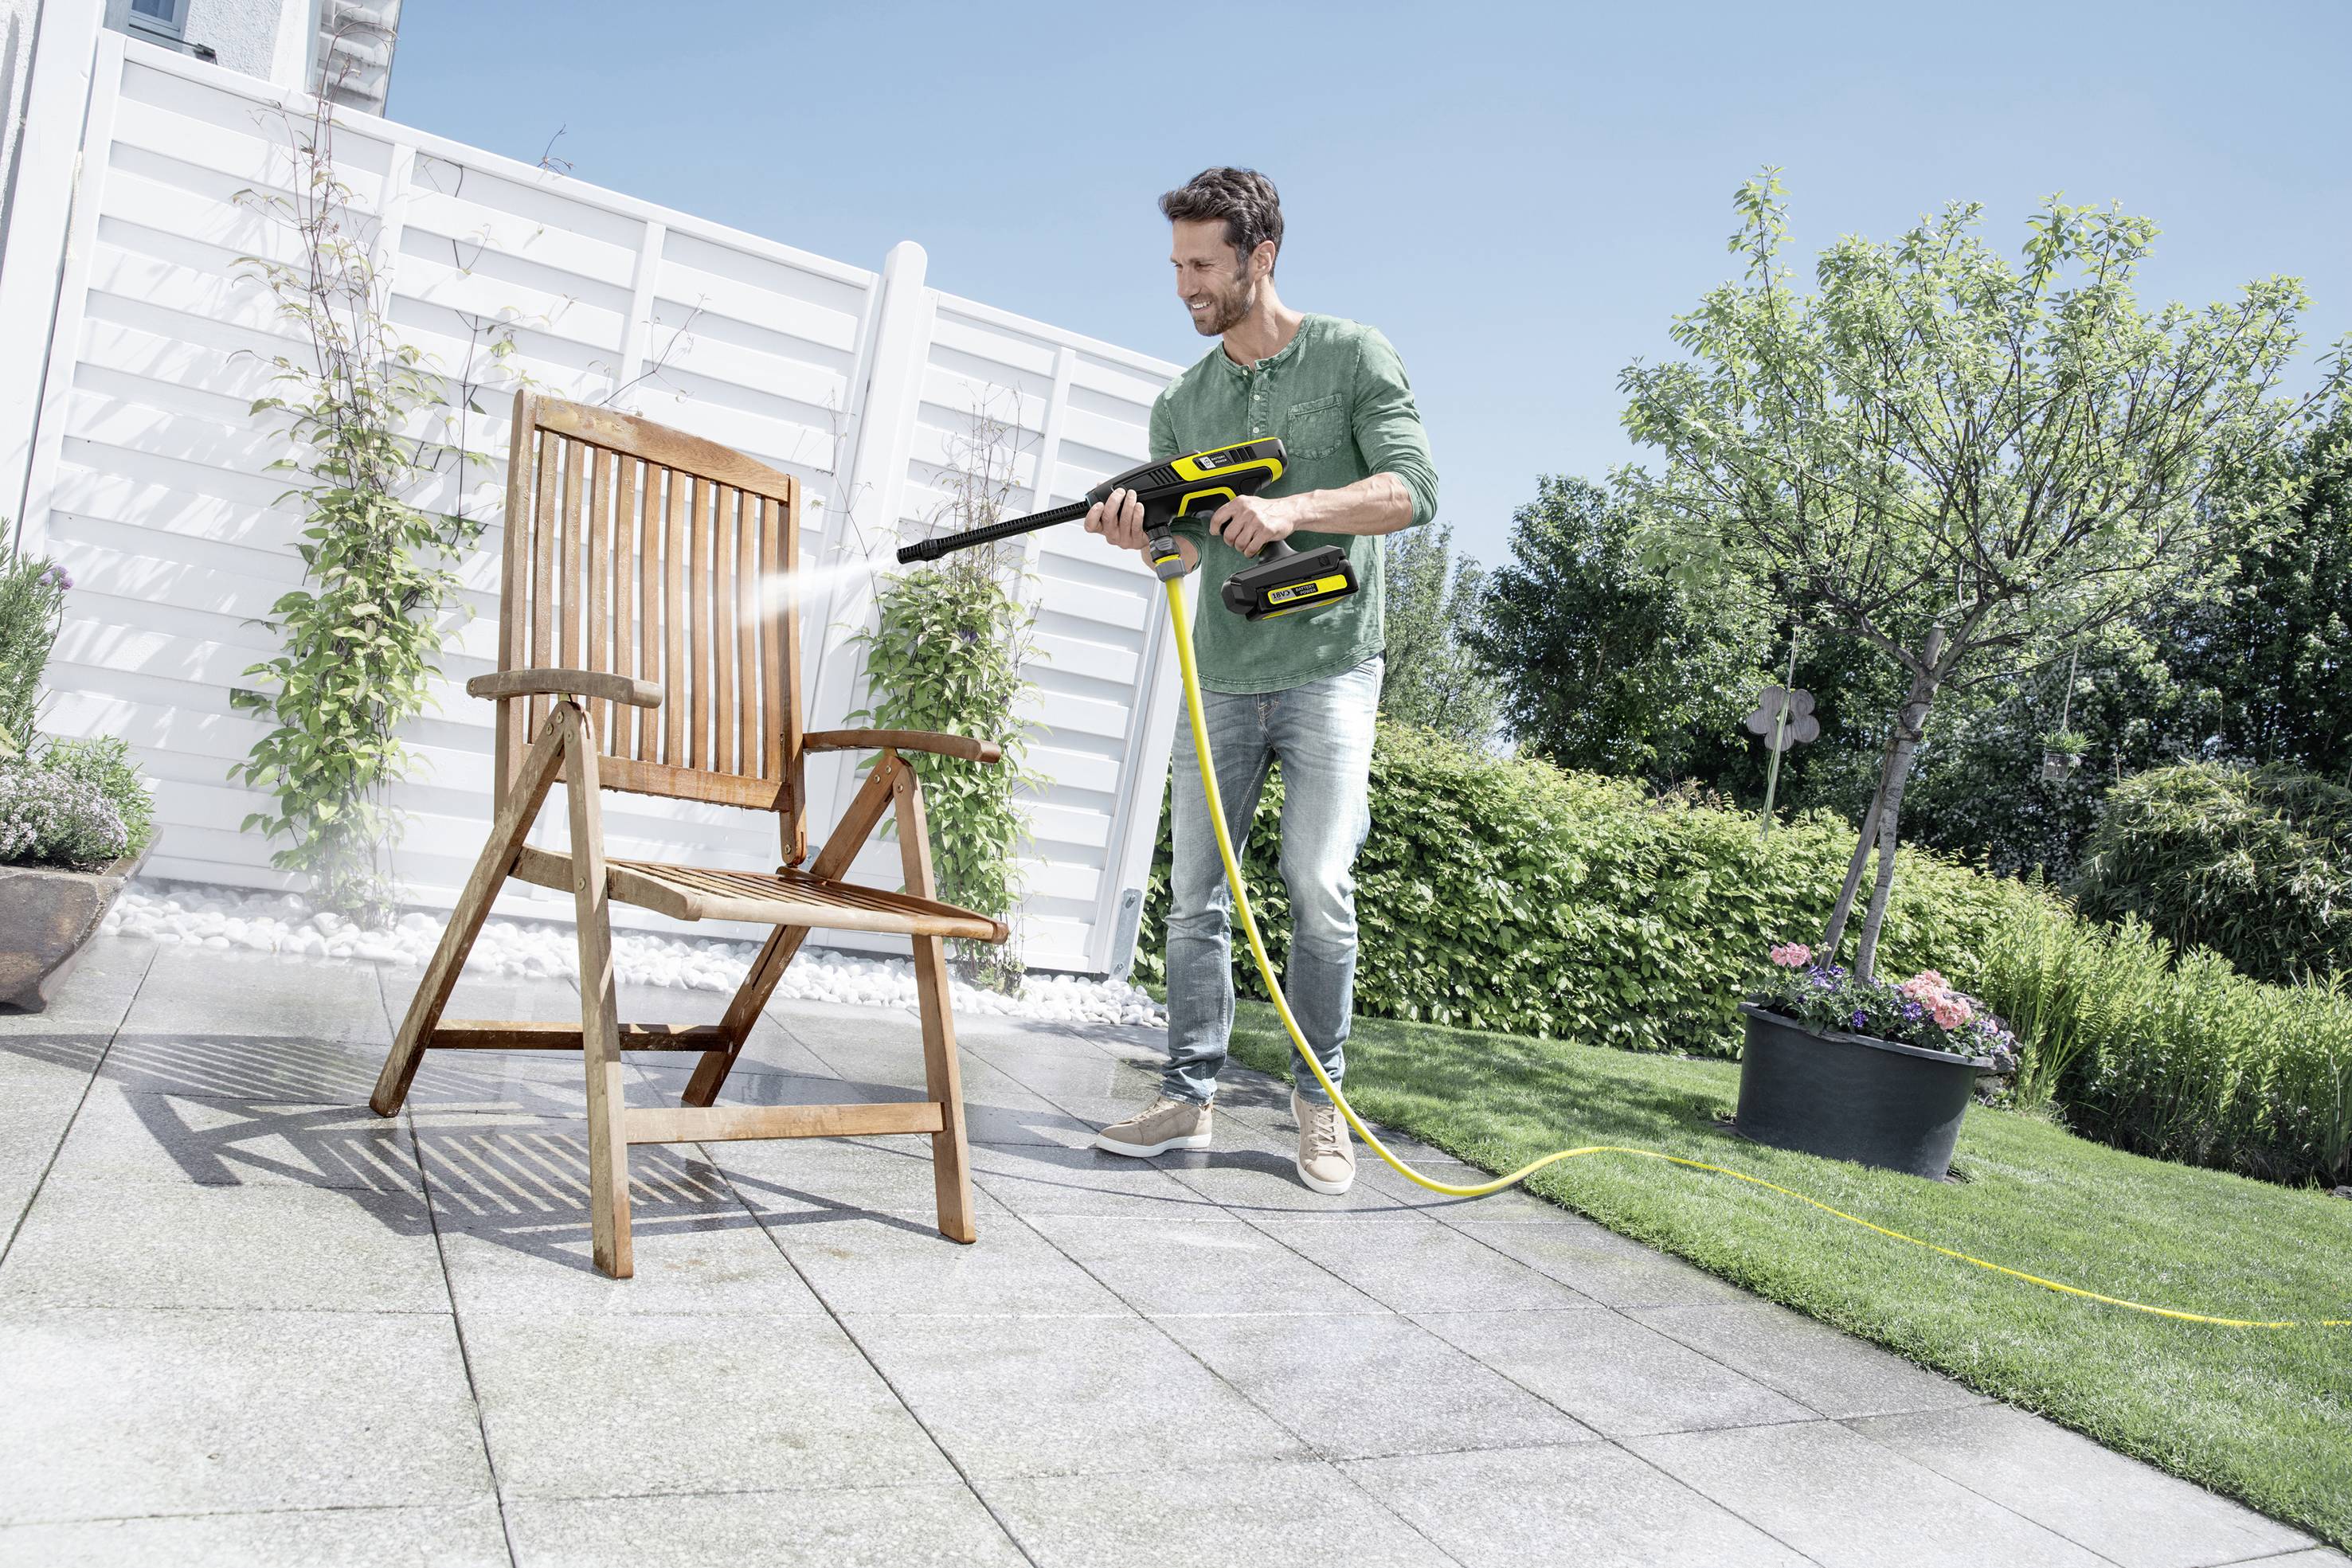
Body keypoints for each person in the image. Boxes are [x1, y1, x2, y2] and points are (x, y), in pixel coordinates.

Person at [1086, 166, 1438, 1195]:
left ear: (1259, 257)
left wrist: (1294, 510)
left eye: (1202, 264)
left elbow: (1413, 490)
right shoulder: (1183, 404)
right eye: (1177, 265)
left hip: (1332, 667)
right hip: (1228, 674)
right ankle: (1185, 1096)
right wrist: (1141, 535)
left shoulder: (1352, 357)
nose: (1185, 284)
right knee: (1194, 892)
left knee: (1316, 887)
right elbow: (1187, 554)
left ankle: (1318, 1104)